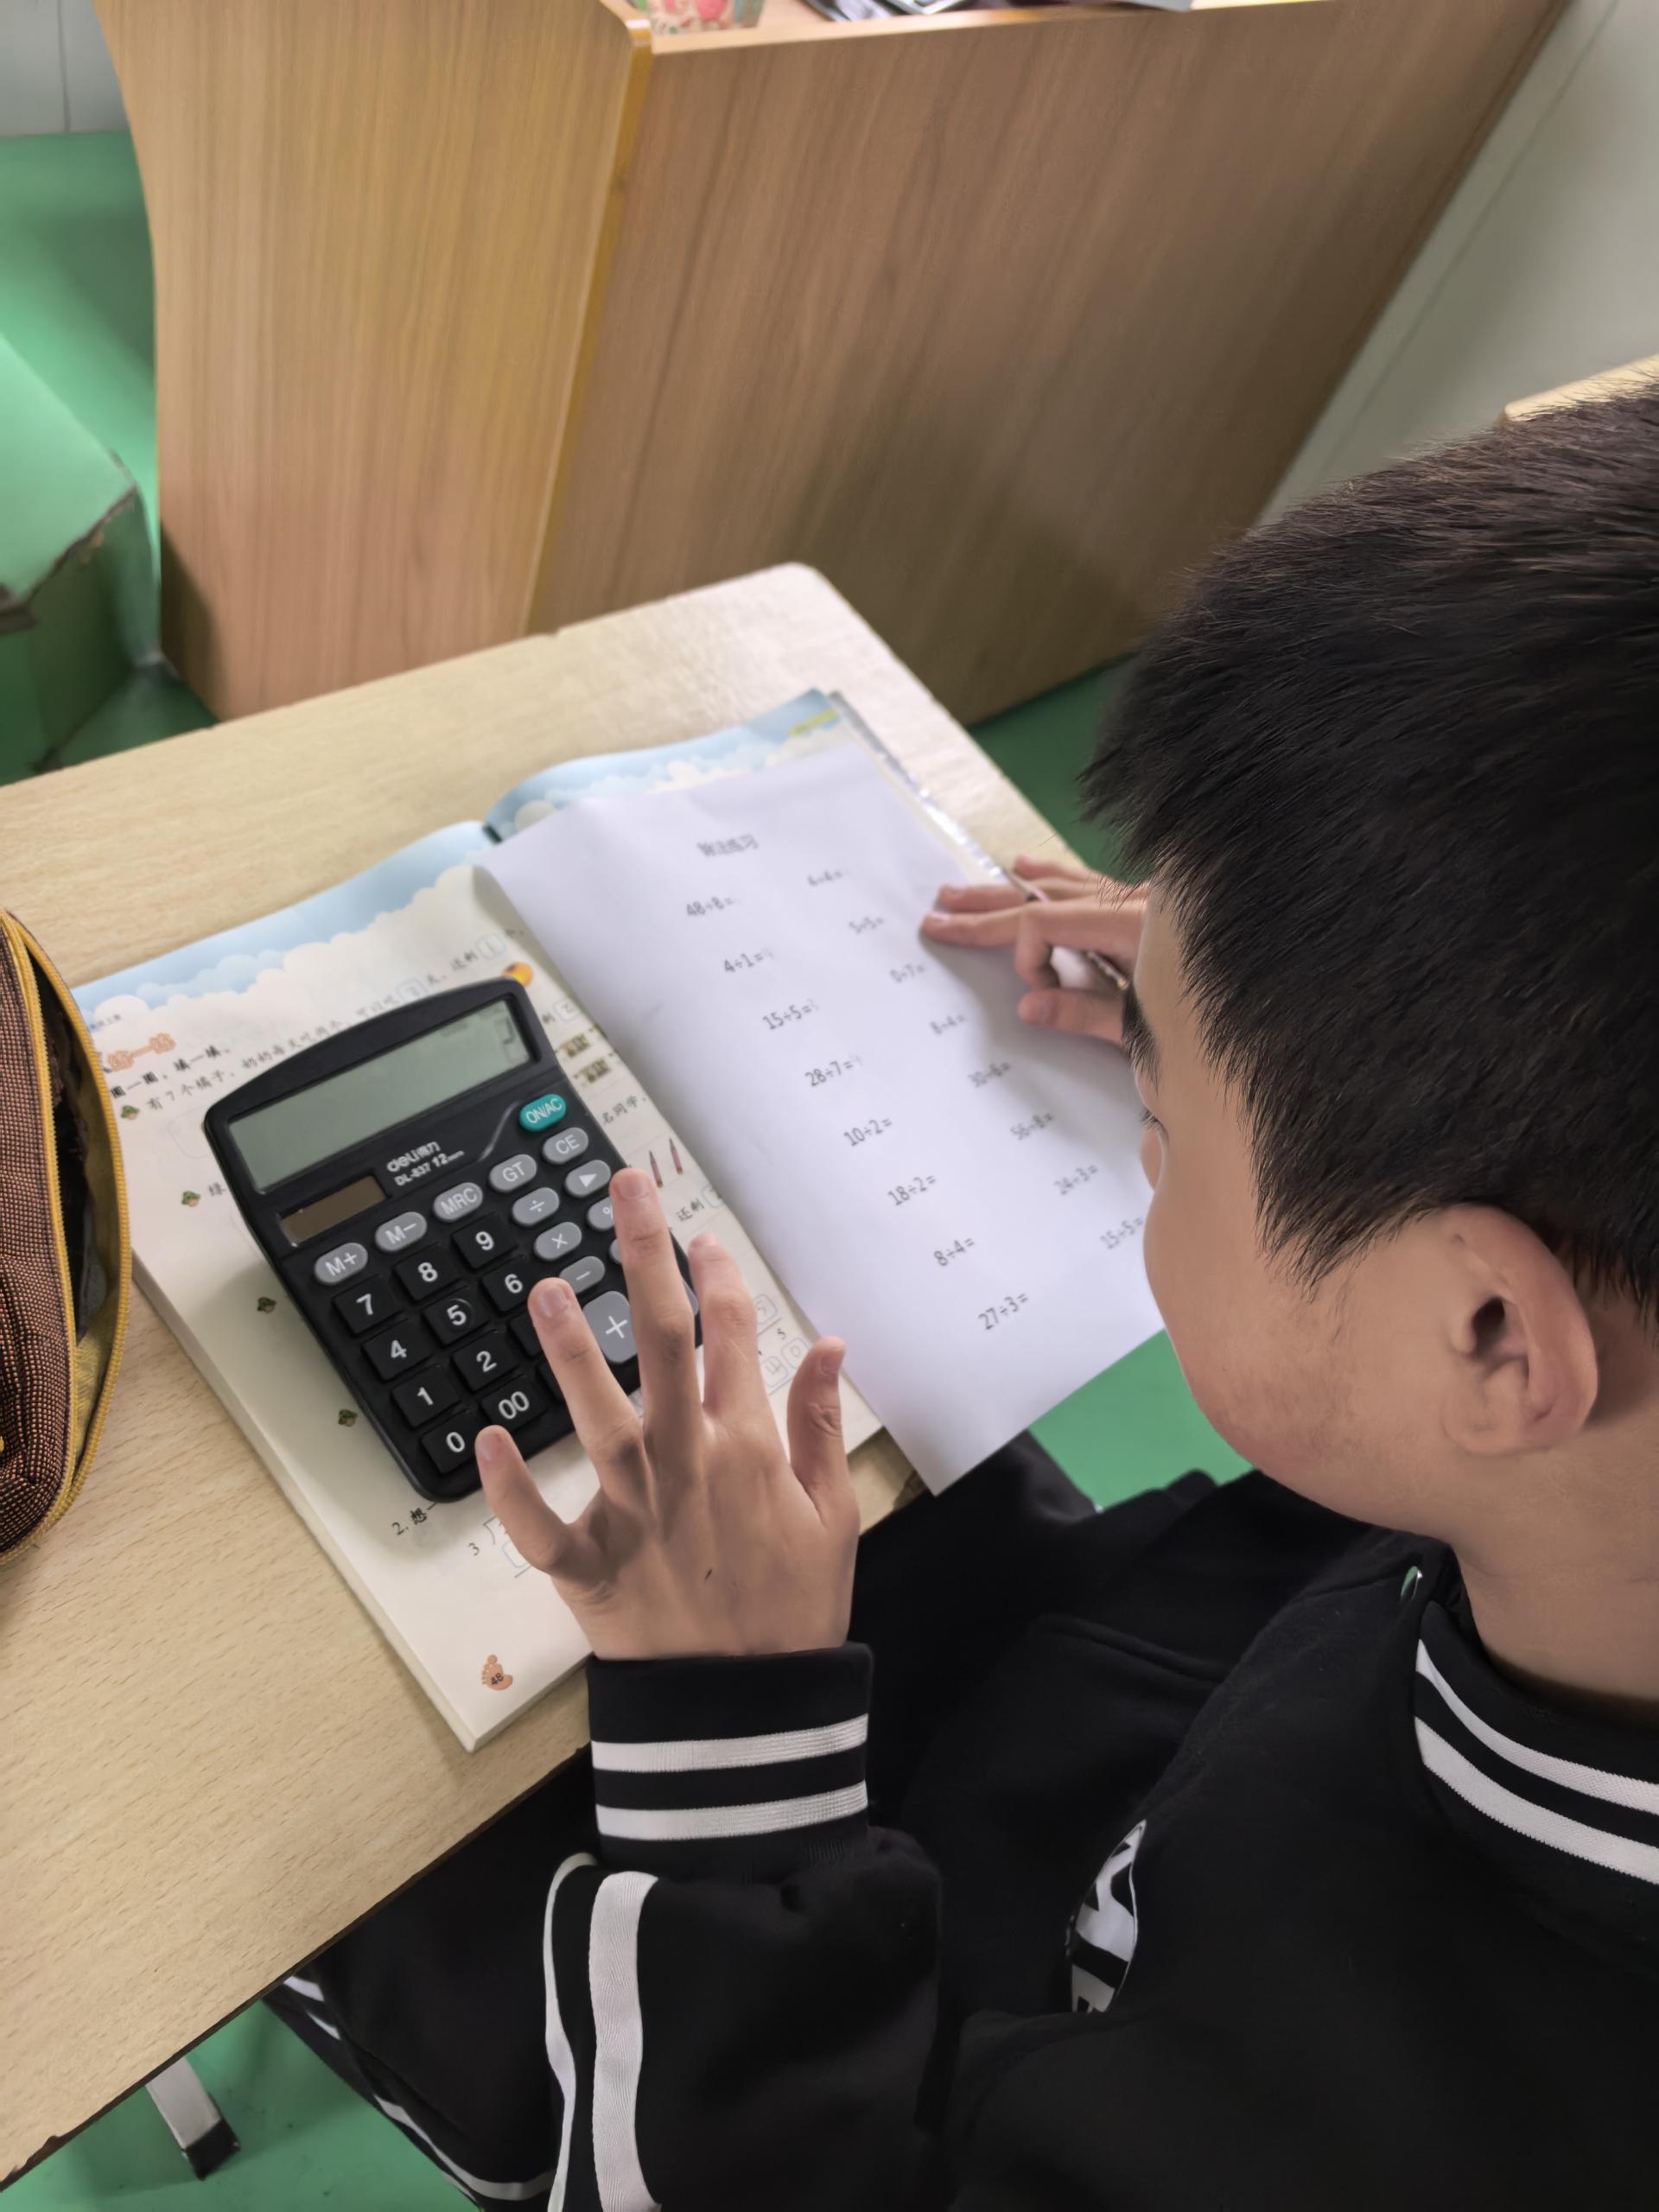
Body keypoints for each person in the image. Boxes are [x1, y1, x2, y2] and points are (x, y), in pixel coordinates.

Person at [268, 393, 1659, 2209]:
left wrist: (736, 1753)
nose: (1141, 1128)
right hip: (1127, 1690)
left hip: (813, 2056)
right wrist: (1253, 987)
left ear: (1488, 1334)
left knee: (316, 1792)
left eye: (1163, 1128)